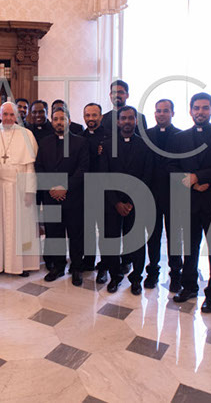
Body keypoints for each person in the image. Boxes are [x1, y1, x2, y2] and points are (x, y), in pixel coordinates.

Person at [166, 92, 211, 313]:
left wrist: (200, 177)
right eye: (196, 108)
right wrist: (193, 183)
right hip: (189, 199)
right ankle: (189, 286)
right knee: (190, 247)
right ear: (190, 111)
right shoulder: (179, 138)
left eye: (205, 108)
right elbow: (171, 166)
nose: (200, 112)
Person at [0, 102, 41, 275]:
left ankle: (22, 265)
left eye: (12, 115)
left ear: (17, 116)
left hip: (20, 189)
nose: (8, 118)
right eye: (5, 114)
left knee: (22, 227)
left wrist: (30, 191)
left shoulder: (27, 134)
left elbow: (29, 167)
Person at [35, 106, 89, 286]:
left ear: (69, 121)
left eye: (62, 119)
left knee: (76, 234)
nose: (59, 122)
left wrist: (65, 187)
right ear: (52, 122)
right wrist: (52, 187)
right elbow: (39, 167)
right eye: (56, 119)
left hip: (74, 196)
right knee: (54, 234)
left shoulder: (80, 142)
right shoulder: (44, 142)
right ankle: (58, 266)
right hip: (51, 197)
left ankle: (77, 268)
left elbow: (83, 169)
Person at [102, 106, 153, 294]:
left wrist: (131, 202)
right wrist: (116, 202)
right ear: (118, 122)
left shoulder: (145, 145)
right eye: (123, 118)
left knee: (137, 242)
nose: (127, 122)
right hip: (112, 203)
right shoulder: (107, 145)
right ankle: (115, 276)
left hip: (135, 203)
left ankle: (136, 278)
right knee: (112, 242)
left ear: (136, 121)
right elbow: (103, 176)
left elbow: (147, 175)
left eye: (131, 118)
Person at [144, 99, 181, 291]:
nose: (161, 114)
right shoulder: (146, 135)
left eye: (165, 111)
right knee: (153, 236)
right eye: (158, 111)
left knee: (174, 237)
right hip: (151, 194)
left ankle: (175, 273)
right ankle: (153, 271)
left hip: (173, 194)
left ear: (172, 113)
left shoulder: (182, 136)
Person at [81, 102, 109, 276]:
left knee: (104, 229)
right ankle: (89, 260)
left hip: (103, 190)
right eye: (87, 115)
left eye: (94, 115)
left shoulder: (109, 137)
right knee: (87, 228)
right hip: (84, 189)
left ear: (101, 116)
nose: (90, 118)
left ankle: (105, 264)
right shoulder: (80, 136)